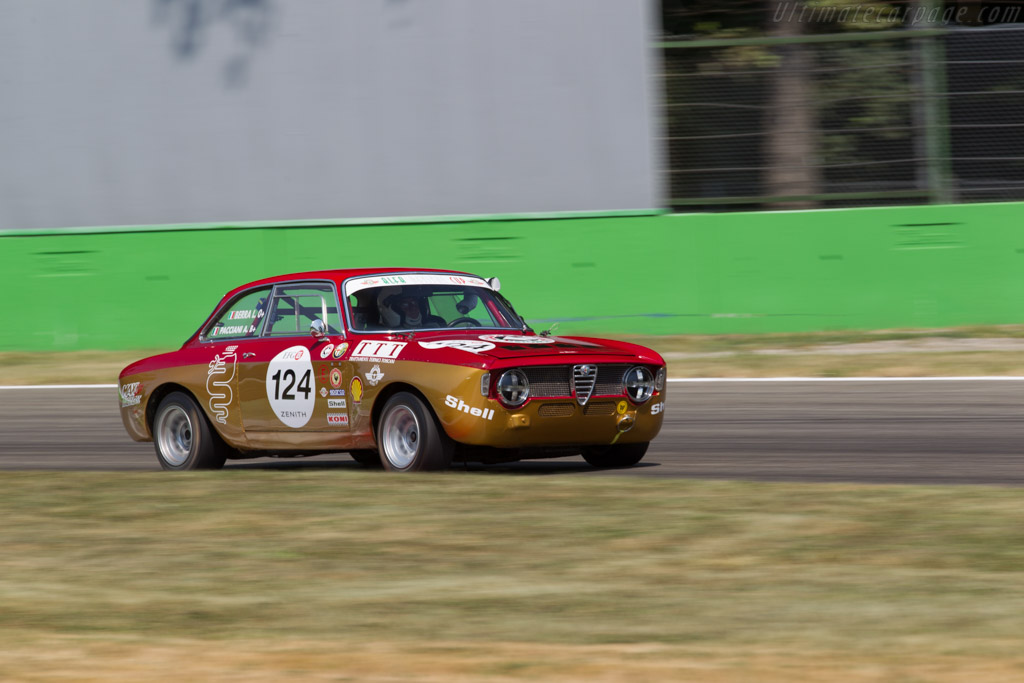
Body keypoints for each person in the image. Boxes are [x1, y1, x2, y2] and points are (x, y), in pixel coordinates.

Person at [378, 287, 444, 328]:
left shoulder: (436, 327)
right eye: (405, 304)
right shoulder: (379, 337)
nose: (413, 308)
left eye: (414, 302)